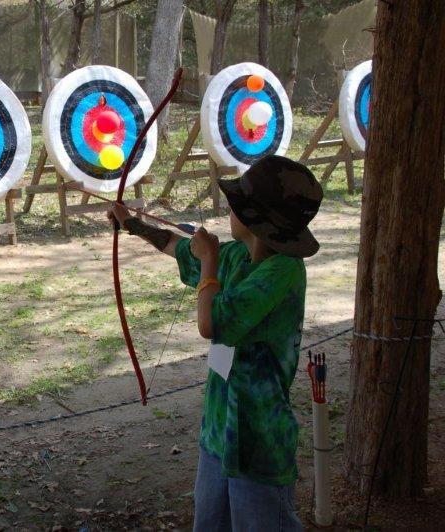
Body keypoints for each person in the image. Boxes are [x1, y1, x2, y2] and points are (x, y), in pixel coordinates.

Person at [108, 155, 323, 531]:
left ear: (256, 219)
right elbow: (180, 248)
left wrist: (208, 261)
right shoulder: (239, 256)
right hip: (219, 429)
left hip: (258, 439)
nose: (230, 210)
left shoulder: (282, 271)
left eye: (237, 205)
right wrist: (132, 225)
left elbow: (211, 324)